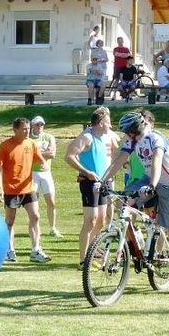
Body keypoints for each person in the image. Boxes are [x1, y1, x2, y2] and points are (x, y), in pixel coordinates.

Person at [102, 111, 169, 296]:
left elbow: (156, 160)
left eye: (128, 131)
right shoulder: (132, 141)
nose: (126, 135)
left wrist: (152, 186)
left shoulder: (155, 138)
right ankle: (135, 246)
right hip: (147, 179)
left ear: (134, 129)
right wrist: (102, 180)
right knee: (123, 204)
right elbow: (119, 160)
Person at [0, 117, 51, 263]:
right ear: (15, 130)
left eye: (28, 129)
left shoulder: (31, 144)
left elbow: (40, 159)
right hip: (11, 189)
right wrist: (0, 188)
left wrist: (44, 164)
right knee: (10, 221)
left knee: (35, 216)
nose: (27, 131)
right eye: (24, 129)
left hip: (28, 188)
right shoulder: (5, 146)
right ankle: (9, 250)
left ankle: (36, 250)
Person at [64, 108, 112, 266]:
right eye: (108, 122)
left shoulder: (105, 137)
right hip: (89, 183)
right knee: (90, 220)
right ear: (101, 123)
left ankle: (93, 250)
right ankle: (83, 259)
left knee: (101, 219)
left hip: (102, 182)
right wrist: (87, 172)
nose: (110, 125)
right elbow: (69, 156)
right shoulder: (87, 137)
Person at [29, 115, 61, 237]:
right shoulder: (28, 139)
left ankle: (53, 228)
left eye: (41, 124)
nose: (39, 126)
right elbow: (28, 155)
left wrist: (36, 153)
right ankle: (36, 227)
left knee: (51, 201)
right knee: (34, 202)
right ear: (32, 125)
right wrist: (43, 153)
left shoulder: (49, 137)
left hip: (46, 172)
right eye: (37, 124)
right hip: (32, 173)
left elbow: (52, 154)